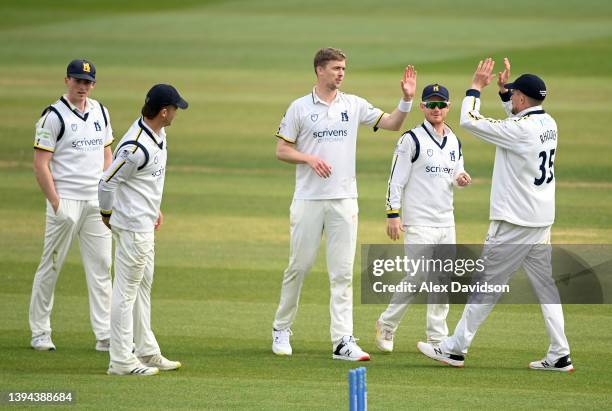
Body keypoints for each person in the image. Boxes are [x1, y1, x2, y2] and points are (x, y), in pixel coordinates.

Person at [417, 58, 573, 372]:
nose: (511, 97)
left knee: (486, 285)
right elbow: (515, 125)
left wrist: (475, 87)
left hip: (513, 222)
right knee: (546, 287)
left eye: (514, 94)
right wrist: (504, 94)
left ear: (523, 99)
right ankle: (560, 353)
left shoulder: (521, 130)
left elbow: (470, 121)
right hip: (540, 219)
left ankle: (455, 349)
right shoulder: (548, 124)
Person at [272, 47, 417, 361]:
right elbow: (282, 150)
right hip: (308, 200)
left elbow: (392, 123)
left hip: (344, 200)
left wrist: (406, 99)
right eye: (336, 68)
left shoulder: (353, 104)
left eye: (344, 69)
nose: (341, 73)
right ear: (320, 70)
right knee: (299, 267)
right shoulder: (298, 108)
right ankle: (281, 328)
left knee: (342, 274)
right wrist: (308, 158)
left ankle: (343, 341)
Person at [99, 84, 188, 376]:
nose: (176, 112)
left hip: (145, 223)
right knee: (125, 291)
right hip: (134, 228)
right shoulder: (135, 147)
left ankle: (147, 350)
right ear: (164, 112)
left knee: (142, 287)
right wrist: (107, 213)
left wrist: (154, 208)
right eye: (175, 108)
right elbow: (107, 182)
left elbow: (144, 182)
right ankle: (121, 360)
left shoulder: (159, 136)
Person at [375, 84, 471, 353]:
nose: (436, 109)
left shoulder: (453, 139)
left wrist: (460, 178)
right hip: (418, 221)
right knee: (417, 277)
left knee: (442, 279)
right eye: (431, 104)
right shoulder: (411, 139)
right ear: (423, 107)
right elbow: (396, 180)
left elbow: (455, 170)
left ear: (448, 107)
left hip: (445, 221)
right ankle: (387, 324)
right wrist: (393, 214)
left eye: (441, 104)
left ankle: (437, 340)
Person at [30, 59, 113, 352]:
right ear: (66, 80)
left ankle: (105, 334)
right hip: (65, 200)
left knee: (102, 267)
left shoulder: (101, 111)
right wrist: (55, 203)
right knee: (51, 265)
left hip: (94, 201)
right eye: (78, 81)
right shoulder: (52, 116)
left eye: (88, 82)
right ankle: (40, 332)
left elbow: (107, 154)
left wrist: (105, 192)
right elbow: (41, 165)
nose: (83, 87)